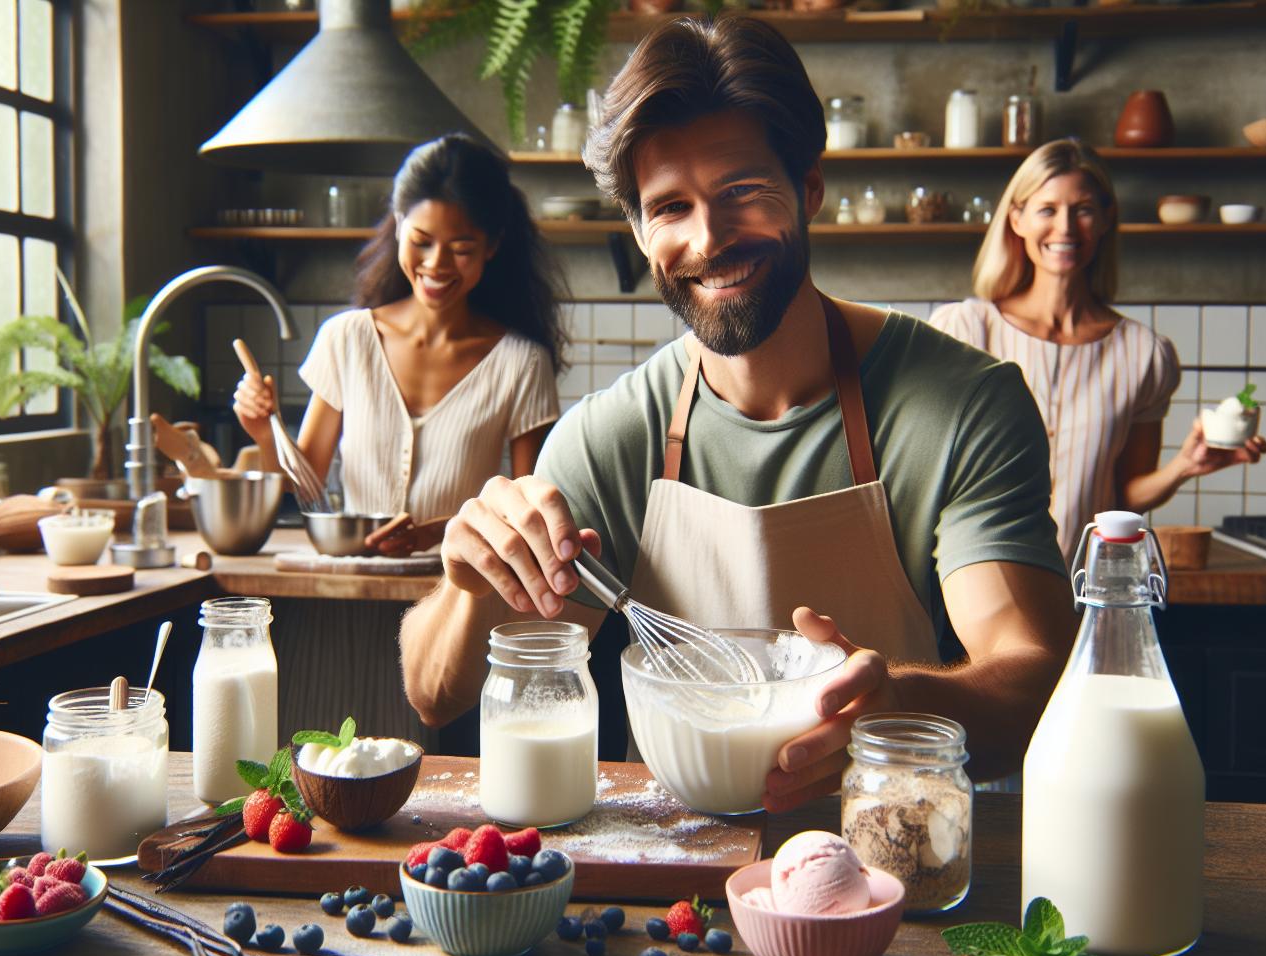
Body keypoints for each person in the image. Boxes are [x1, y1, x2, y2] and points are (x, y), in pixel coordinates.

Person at [397, 16, 1078, 811]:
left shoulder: (963, 405)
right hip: (671, 882)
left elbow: (1033, 677)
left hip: (889, 859)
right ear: (640, 228)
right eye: (670, 207)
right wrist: (466, 580)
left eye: (743, 192)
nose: (708, 238)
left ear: (810, 188)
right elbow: (435, 695)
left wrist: (896, 703)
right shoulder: (610, 436)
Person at [930, 139, 1266, 562]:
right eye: (1047, 209)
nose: (1066, 228)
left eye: (1084, 209)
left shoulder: (1143, 355)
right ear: (1016, 219)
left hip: (1085, 589)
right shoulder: (963, 333)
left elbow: (1124, 497)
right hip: (970, 597)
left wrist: (1185, 465)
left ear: (1107, 218)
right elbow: (930, 477)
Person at [234, 135, 567, 554]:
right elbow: (305, 488)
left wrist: (433, 534)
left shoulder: (522, 364)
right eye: (421, 241)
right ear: (398, 223)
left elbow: (525, 514)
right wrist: (266, 434)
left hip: (453, 602)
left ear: (492, 246)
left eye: (461, 248)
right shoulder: (347, 339)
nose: (436, 264)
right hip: (348, 595)